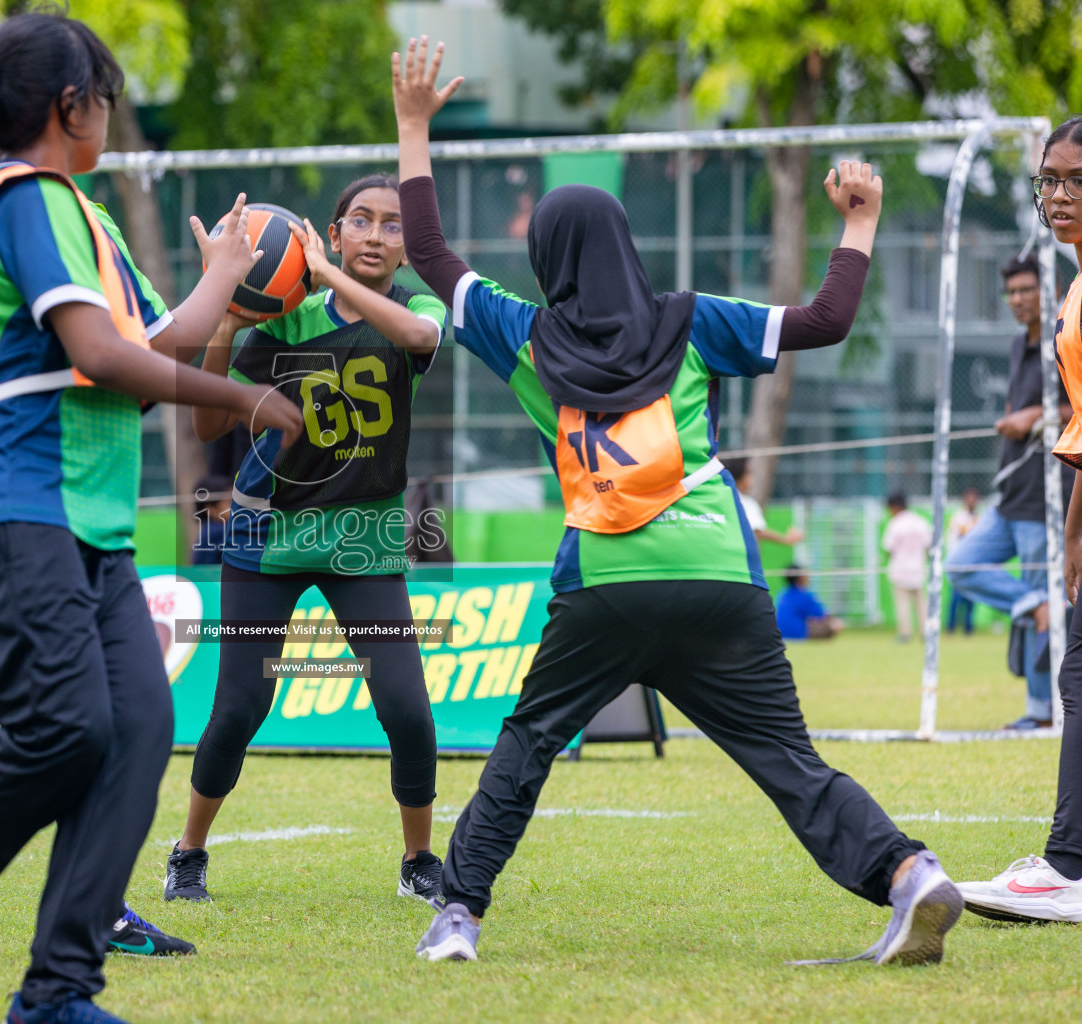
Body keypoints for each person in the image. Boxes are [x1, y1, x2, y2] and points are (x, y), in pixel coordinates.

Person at [394, 37, 960, 966]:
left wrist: (415, 125)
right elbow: (826, 320)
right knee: (790, 763)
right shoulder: (692, 320)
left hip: (606, 580)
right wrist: (857, 221)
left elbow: (427, 251)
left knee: (531, 739)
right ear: (626, 244)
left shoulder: (526, 336)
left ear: (549, 258)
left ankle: (457, 915)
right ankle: (906, 874)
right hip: (717, 576)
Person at [0, 13, 303, 1024]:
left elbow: (147, 342)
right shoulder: (26, 196)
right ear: (67, 108)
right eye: (106, 102)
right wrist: (244, 399)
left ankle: (57, 990)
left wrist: (222, 275)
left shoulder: (80, 219)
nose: (109, 120)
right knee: (64, 725)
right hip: (5, 500)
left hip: (80, 516)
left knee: (137, 725)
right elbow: (101, 355)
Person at [164, 174, 447, 905]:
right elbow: (206, 426)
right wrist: (226, 319)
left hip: (363, 538)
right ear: (334, 230)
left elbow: (418, 339)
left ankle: (419, 861)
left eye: (391, 224)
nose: (378, 236)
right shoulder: (282, 319)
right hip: (267, 536)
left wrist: (320, 271)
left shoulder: (414, 306)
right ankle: (188, 851)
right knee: (238, 710)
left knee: (408, 709)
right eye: (362, 221)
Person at [957, 115, 1082, 923]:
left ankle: (1068, 868)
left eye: (1077, 181)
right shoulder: (1073, 292)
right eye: (1050, 180)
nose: (1060, 195)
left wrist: (1072, 534)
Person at [949, 255, 1074, 728]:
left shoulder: (1068, 337)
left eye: (1027, 289)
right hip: (1011, 496)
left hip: (1049, 497)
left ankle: (1040, 713)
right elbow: (1015, 406)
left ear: (1053, 287)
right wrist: (1014, 417)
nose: (1018, 300)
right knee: (961, 565)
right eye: (1013, 292)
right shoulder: (1019, 345)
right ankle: (1037, 605)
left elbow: (1074, 407)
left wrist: (1038, 416)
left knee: (1047, 613)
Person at [882, 493, 932, 643]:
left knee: (902, 604)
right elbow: (929, 546)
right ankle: (925, 633)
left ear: (895, 507)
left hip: (900, 569)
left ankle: (905, 634)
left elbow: (888, 548)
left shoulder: (895, 524)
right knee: (921, 604)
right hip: (918, 568)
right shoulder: (920, 521)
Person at [730, 457, 804, 548]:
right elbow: (759, 531)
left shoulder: (716, 497)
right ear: (738, 476)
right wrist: (786, 539)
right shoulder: (746, 503)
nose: (752, 481)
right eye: (748, 473)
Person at [945, 487, 980, 636]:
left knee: (971, 599)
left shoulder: (980, 518)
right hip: (959, 564)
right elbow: (951, 541)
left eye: (974, 498)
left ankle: (968, 629)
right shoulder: (958, 518)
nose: (972, 501)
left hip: (974, 564)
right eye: (969, 498)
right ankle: (951, 628)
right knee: (956, 598)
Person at [776, 565, 845, 640]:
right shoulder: (805, 594)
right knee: (837, 624)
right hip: (798, 633)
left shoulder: (782, 594)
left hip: (780, 633)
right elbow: (822, 614)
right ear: (800, 577)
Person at [190, 473, 232, 565]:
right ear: (210, 509)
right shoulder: (217, 531)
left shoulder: (210, 528)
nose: (236, 506)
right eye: (230, 502)